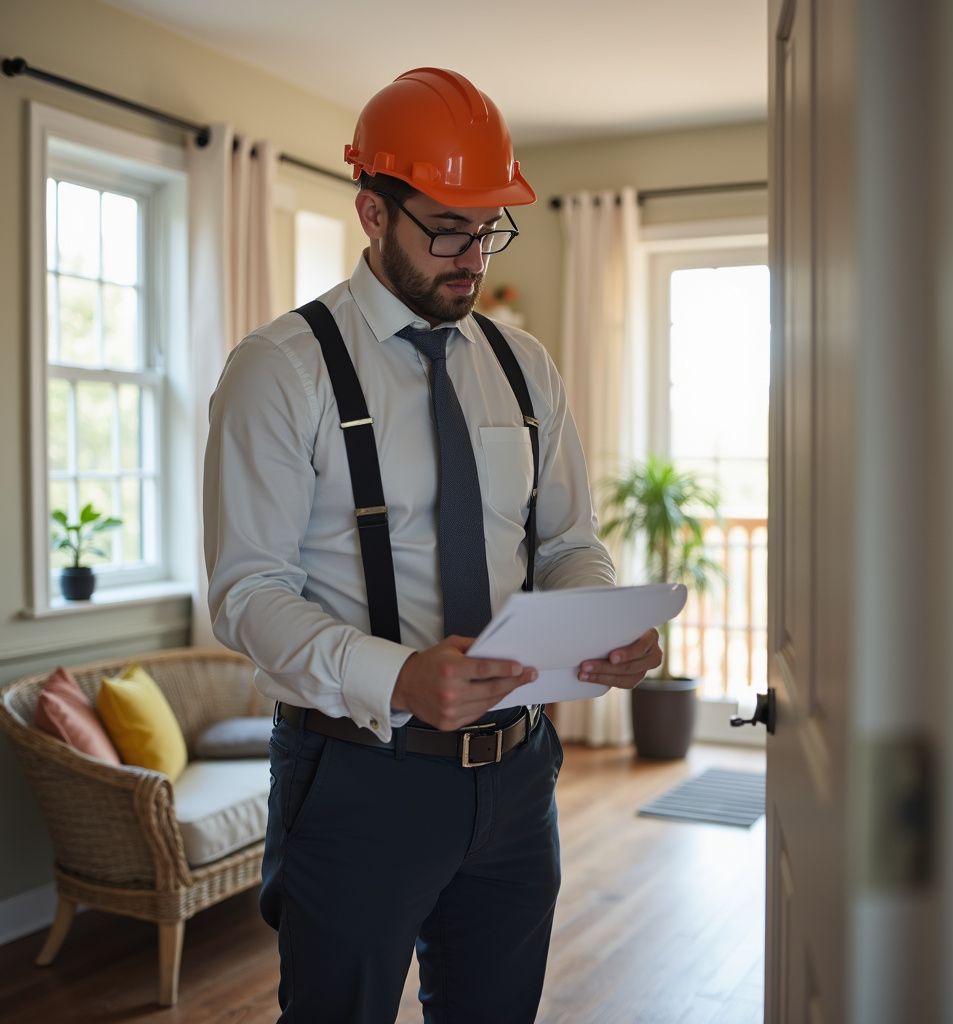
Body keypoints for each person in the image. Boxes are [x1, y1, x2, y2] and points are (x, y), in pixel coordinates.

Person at [203, 67, 661, 1024]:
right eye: (445, 229)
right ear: (372, 211)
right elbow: (248, 594)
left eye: (488, 226)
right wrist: (398, 677)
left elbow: (568, 539)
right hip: (357, 782)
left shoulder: (523, 366)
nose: (471, 256)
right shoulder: (280, 372)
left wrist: (598, 616)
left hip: (520, 777)